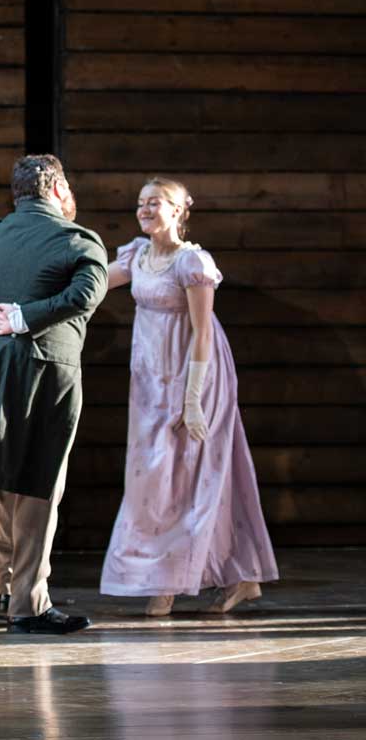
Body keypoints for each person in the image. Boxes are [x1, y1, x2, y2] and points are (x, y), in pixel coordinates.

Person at [0, 154, 107, 635]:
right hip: (41, 369)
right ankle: (29, 605)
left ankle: (6, 587)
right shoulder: (76, 239)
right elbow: (87, 293)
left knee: (7, 479)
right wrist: (26, 317)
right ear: (57, 189)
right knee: (39, 484)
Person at [100, 177, 278, 616]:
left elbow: (201, 333)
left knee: (190, 475)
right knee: (157, 479)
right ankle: (240, 577)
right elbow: (92, 284)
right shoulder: (138, 256)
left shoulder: (192, 262)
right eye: (140, 202)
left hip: (193, 374)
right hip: (149, 378)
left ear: (178, 211)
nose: (144, 209)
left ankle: (168, 580)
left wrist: (192, 398)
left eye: (155, 202)